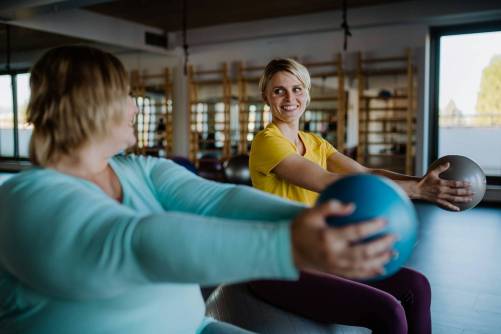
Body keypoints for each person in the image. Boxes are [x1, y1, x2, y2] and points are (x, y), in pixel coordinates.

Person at [0, 46, 397, 334]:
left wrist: (320, 224)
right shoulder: (26, 201)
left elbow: (219, 198)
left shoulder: (138, 169)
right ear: (91, 105)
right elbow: (136, 244)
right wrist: (289, 246)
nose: (136, 108)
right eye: (125, 96)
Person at [249, 58, 473, 334]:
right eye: (279, 91)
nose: (290, 98)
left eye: (297, 88)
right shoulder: (267, 141)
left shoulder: (314, 142)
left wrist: (424, 182)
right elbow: (328, 182)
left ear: (307, 92)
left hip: (319, 252)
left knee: (417, 287)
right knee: (388, 311)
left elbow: (365, 173)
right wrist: (419, 191)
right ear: (266, 97)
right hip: (281, 263)